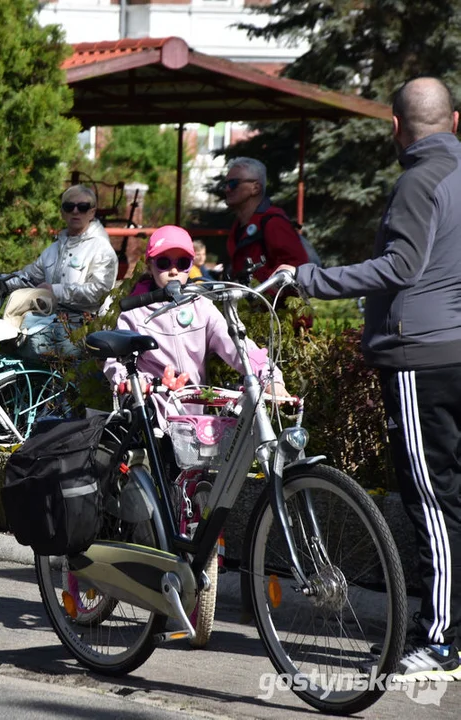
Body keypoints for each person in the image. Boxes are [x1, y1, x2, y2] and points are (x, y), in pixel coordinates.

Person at [275, 76, 461, 682]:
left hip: (419, 358)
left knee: (432, 500)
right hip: (454, 352)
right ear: (455, 121)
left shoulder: (417, 179)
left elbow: (401, 266)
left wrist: (309, 280)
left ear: (394, 126)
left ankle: (440, 643)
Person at [102, 226, 284, 423]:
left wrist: (270, 378)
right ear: (149, 266)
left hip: (195, 417)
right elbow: (116, 362)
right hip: (151, 413)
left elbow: (238, 346)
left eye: (182, 263)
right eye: (163, 263)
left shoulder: (202, 307)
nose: (173, 271)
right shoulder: (135, 313)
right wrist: (131, 382)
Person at [0, 184, 118, 358]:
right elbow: (26, 278)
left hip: (82, 330)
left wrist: (55, 291)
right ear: (62, 212)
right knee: (6, 342)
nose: (75, 212)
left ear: (92, 212)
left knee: (28, 348)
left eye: (82, 207)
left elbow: (100, 291)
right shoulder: (53, 250)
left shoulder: (102, 249)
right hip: (50, 322)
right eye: (69, 207)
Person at [223, 157, 308, 283]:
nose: (227, 189)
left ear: (255, 188)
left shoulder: (274, 223)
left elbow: (298, 270)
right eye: (225, 184)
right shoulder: (238, 226)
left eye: (233, 184)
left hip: (272, 302)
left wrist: (262, 289)